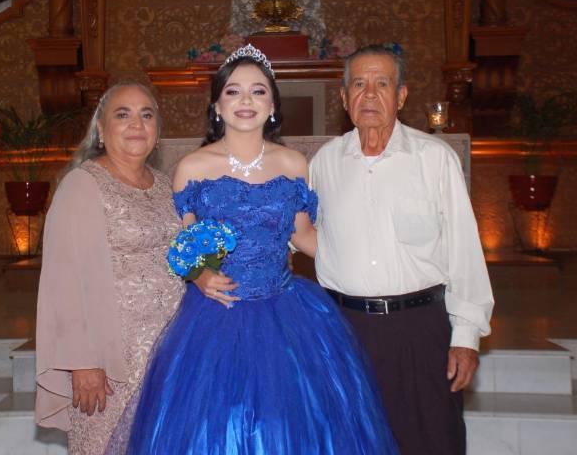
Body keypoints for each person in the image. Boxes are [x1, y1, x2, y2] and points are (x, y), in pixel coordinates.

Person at [121, 45, 398, 454]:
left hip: (286, 312)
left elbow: (303, 236)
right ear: (217, 106)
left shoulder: (294, 164)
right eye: (233, 91)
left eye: (258, 91)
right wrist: (200, 276)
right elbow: (185, 244)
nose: (246, 100)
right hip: (216, 316)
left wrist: (368, 249)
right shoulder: (192, 168)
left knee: (291, 424)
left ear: (272, 106)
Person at [309, 43, 495, 455]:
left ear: (402, 95)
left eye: (382, 84)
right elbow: (302, 233)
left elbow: (464, 250)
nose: (369, 94)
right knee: (352, 441)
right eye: (359, 84)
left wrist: (466, 336)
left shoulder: (434, 159)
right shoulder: (324, 163)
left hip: (420, 328)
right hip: (347, 329)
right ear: (344, 98)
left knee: (431, 439)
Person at [34, 82, 185, 455]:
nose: (136, 124)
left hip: (169, 354)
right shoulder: (82, 185)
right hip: (111, 363)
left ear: (157, 130)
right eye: (123, 114)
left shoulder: (165, 186)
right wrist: (81, 363)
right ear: (101, 130)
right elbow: (62, 282)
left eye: (146, 115)